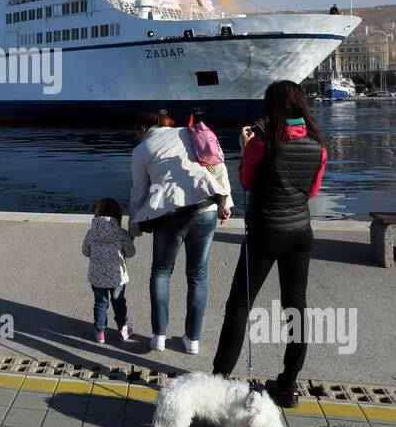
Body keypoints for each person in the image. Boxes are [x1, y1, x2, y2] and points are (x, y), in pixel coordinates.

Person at [211, 81, 328, 407]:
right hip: (301, 233)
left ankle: (218, 381)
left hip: (265, 233)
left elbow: (247, 182)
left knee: (239, 305)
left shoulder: (260, 145)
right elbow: (312, 192)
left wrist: (246, 147)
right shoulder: (319, 145)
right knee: (296, 306)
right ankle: (288, 386)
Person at [129, 111, 233, 354]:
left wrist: (133, 229)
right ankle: (192, 340)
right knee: (198, 276)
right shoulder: (189, 132)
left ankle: (159, 337)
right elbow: (217, 164)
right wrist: (225, 203)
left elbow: (138, 194)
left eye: (137, 133)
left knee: (161, 272)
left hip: (170, 214)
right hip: (206, 208)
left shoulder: (142, 150)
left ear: (143, 129)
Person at [82, 197, 136, 344]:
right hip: (117, 277)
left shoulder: (91, 233)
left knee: (100, 303)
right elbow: (130, 252)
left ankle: (100, 332)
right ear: (118, 215)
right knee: (118, 302)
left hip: (97, 277)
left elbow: (85, 252)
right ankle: (123, 329)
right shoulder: (121, 233)